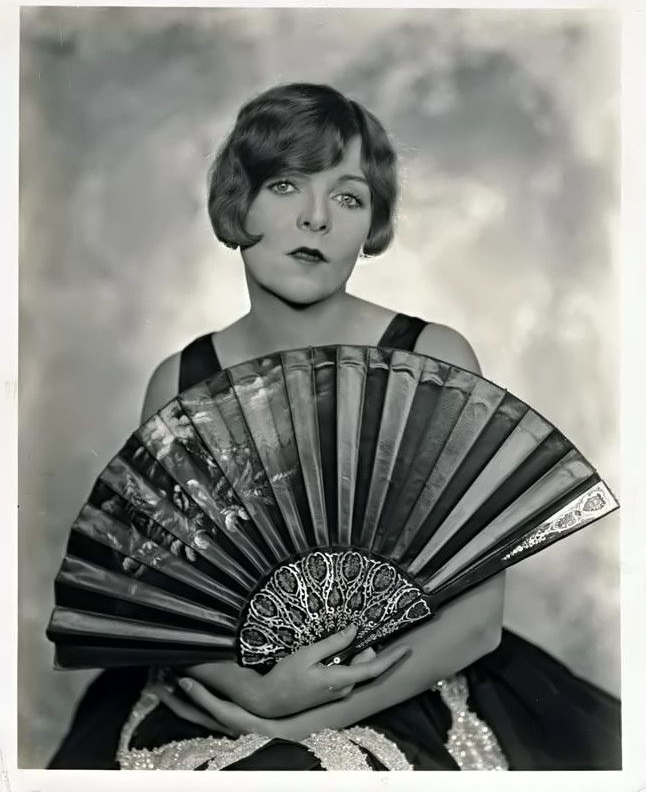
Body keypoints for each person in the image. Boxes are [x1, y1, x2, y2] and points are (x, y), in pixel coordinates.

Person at [49, 83, 621, 771]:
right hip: (225, 690)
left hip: (401, 685)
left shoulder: (430, 359)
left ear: (371, 227)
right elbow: (163, 602)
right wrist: (258, 694)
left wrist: (304, 717)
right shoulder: (178, 381)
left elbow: (474, 624)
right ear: (239, 202)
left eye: (349, 198)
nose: (315, 218)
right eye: (285, 185)